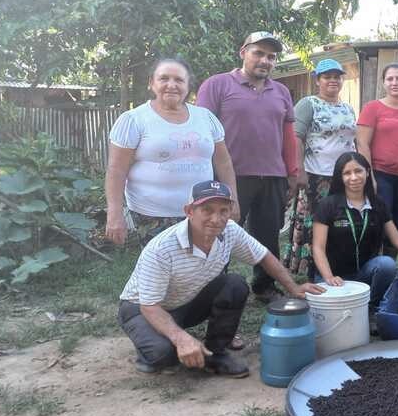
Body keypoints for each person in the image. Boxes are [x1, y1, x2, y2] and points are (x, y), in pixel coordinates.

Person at [118, 180, 325, 377]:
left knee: (234, 284)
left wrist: (293, 287)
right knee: (163, 354)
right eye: (207, 210)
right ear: (189, 211)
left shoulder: (230, 231)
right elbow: (150, 306)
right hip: (142, 308)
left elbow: (263, 256)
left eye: (223, 211)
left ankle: (217, 352)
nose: (216, 219)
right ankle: (150, 351)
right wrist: (181, 339)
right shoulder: (162, 248)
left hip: (186, 302)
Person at [196, 32, 298, 303]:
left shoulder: (282, 92)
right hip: (230, 177)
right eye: (258, 53)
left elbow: (289, 136)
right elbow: (201, 130)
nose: (265, 60)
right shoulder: (217, 85)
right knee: (219, 232)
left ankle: (264, 286)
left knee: (268, 235)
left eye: (271, 57)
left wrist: (293, 173)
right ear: (243, 52)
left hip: (273, 176)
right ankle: (216, 288)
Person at [105, 58, 239, 246]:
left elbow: (223, 163)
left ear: (188, 85)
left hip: (203, 213)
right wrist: (114, 213)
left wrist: (232, 200)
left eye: (179, 80)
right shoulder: (134, 120)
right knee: (160, 272)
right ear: (152, 83)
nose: (171, 85)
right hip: (152, 216)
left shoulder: (206, 118)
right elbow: (116, 170)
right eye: (164, 78)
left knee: (202, 268)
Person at [312, 152, 398, 313]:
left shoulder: (377, 204)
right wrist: (329, 277)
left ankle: (372, 308)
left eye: (358, 171)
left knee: (387, 264)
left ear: (368, 172)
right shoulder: (328, 205)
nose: (354, 177)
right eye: (347, 173)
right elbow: (318, 248)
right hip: (333, 277)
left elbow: (397, 239)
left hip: (363, 274)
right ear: (340, 177)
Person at [284, 58, 357, 278]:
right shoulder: (309, 104)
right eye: (327, 77)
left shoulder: (347, 108)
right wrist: (299, 171)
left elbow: (353, 140)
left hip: (343, 176)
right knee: (316, 223)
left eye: (337, 77)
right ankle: (314, 271)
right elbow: (296, 137)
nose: (333, 81)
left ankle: (335, 265)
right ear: (318, 80)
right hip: (316, 176)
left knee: (340, 221)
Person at [355, 63, 398, 258]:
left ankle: (389, 266)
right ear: (383, 83)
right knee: (381, 222)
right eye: (390, 78)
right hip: (381, 174)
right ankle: (373, 267)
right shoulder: (372, 108)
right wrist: (369, 176)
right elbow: (362, 143)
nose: (394, 82)